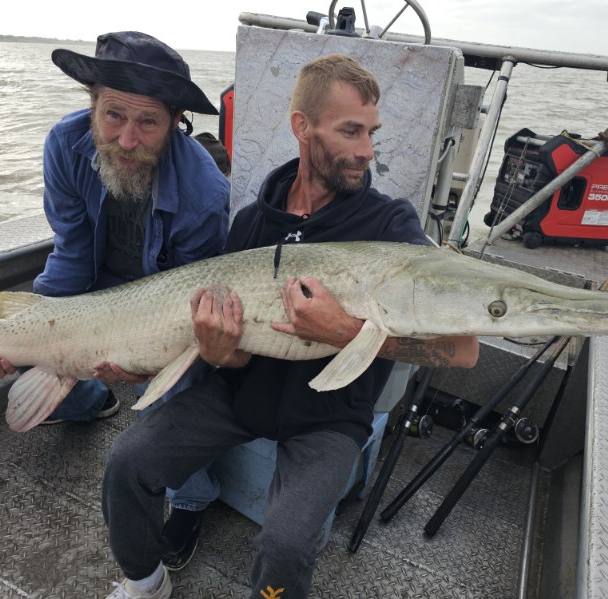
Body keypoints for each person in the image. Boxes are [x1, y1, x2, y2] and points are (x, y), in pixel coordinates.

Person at [100, 54, 480, 599]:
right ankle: (145, 580)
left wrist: (344, 331)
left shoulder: (391, 226)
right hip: (239, 392)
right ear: (302, 126)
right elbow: (233, 356)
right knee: (127, 462)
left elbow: (462, 351)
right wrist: (217, 351)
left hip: (330, 416)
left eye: (371, 132)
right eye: (350, 131)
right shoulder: (252, 222)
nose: (367, 151)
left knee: (286, 543)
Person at [0, 31, 231, 573]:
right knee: (36, 364)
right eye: (113, 116)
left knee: (176, 393)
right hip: (92, 285)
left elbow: (189, 306)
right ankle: (91, 400)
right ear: (92, 102)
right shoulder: (65, 145)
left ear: (174, 122)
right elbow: (69, 252)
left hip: (168, 302)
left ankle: (190, 499)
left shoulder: (205, 193)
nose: (127, 139)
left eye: (148, 123)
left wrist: (144, 363)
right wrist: (23, 338)